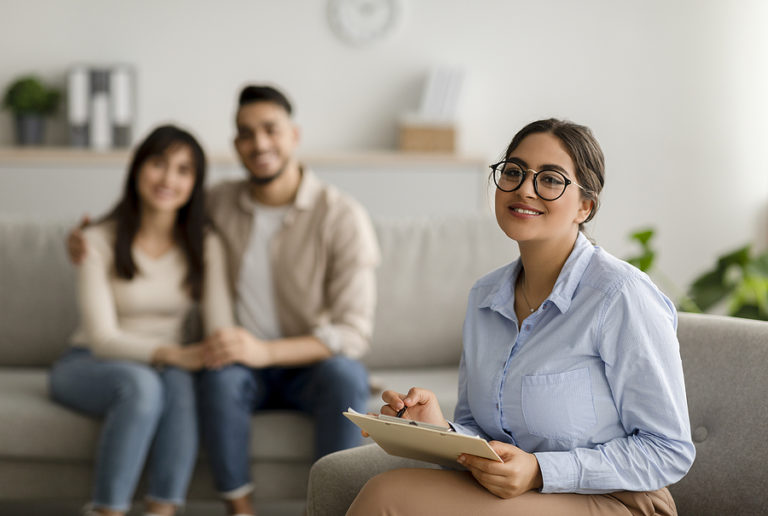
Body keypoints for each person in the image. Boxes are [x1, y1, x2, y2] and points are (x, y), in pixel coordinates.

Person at [346, 119, 695, 515]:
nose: (524, 188)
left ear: (585, 206)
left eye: (550, 179)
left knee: (387, 500)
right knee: (386, 492)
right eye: (513, 172)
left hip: (617, 500)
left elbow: (668, 451)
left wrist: (541, 471)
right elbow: (483, 436)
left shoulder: (620, 295)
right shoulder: (484, 297)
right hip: (517, 496)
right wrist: (437, 428)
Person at [68, 85, 380, 516]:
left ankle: (336, 509)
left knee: (348, 375)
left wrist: (263, 351)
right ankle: (240, 508)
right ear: (236, 144)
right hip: (239, 365)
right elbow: (155, 210)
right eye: (246, 134)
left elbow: (352, 332)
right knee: (218, 377)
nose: (259, 144)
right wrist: (86, 236)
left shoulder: (342, 215)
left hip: (309, 362)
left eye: (270, 130)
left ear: (294, 135)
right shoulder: (218, 205)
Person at [51, 125, 235, 516]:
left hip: (168, 367)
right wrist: (174, 353)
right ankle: (107, 511)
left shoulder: (206, 243)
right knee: (142, 384)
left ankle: (162, 510)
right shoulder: (96, 239)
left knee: (179, 380)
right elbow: (101, 339)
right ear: (137, 168)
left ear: (195, 184)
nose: (169, 179)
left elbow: (220, 326)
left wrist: (217, 350)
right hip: (87, 363)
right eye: (158, 164)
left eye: (184, 170)